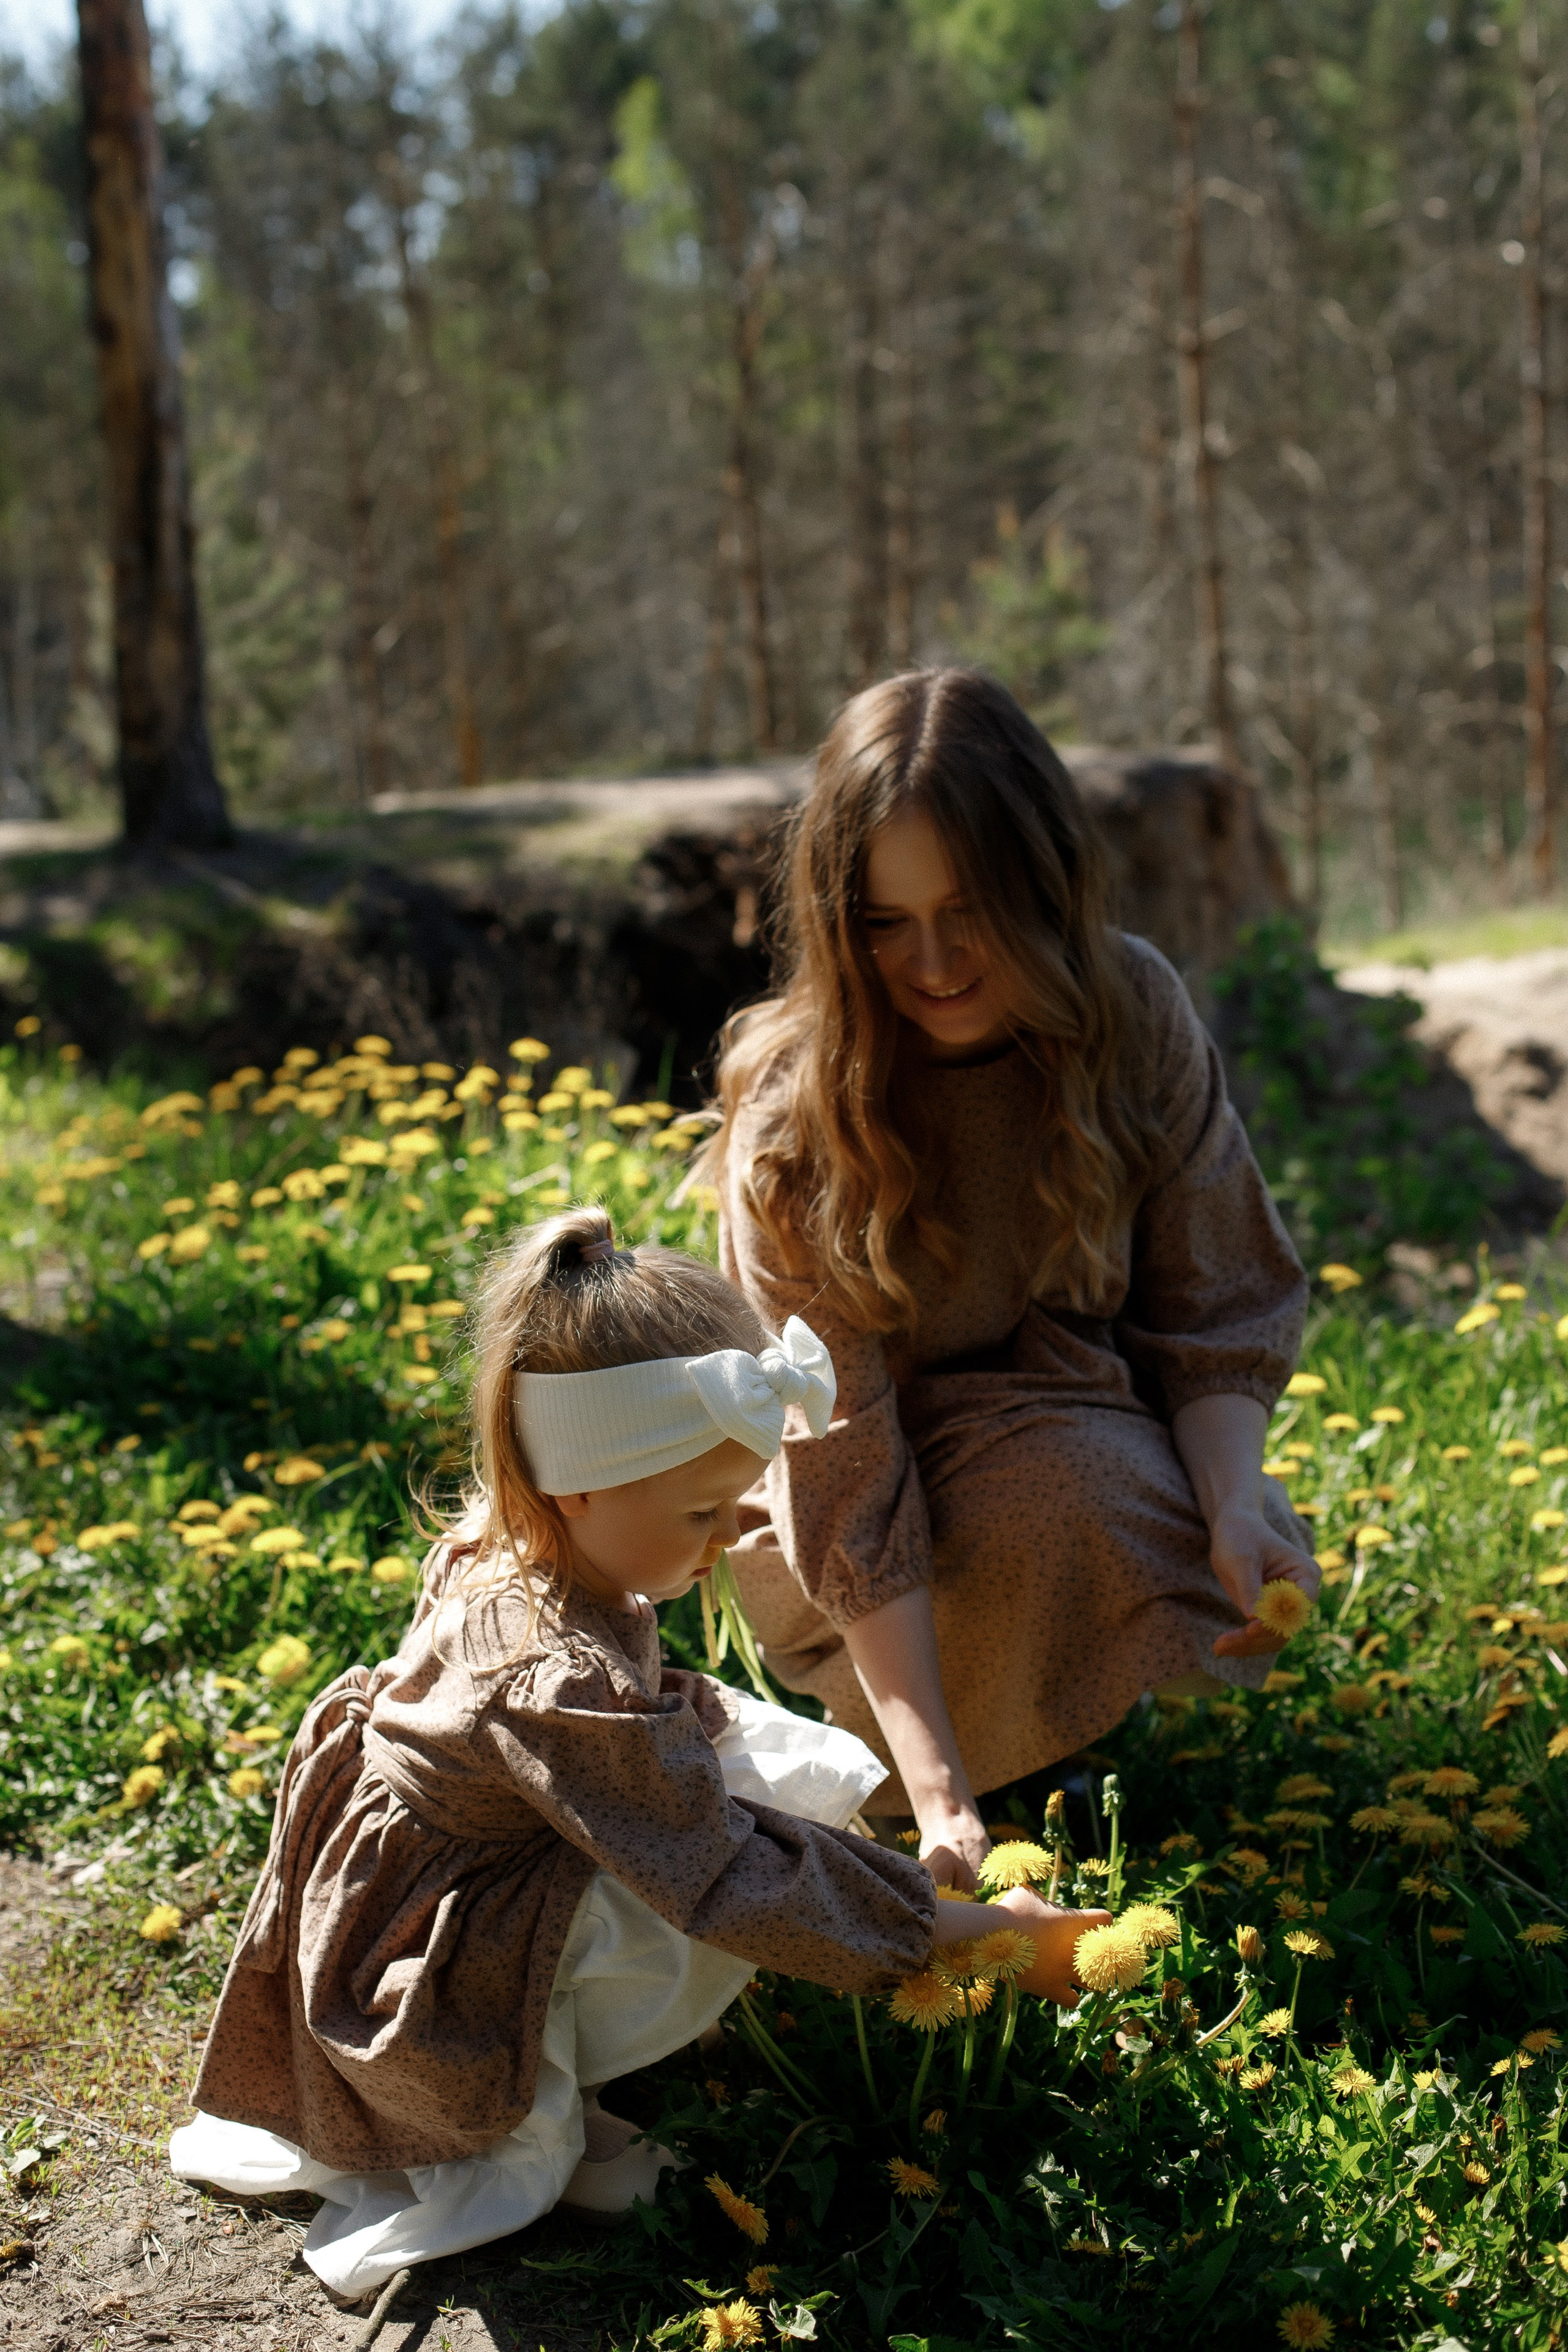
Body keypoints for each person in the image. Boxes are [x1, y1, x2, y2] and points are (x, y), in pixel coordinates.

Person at [170, 1208, 1105, 2302]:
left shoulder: (522, 1545)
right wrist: (963, 1935)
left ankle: (580, 2032)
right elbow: (716, 1870)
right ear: (576, 1483)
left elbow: (642, 1750)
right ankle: (527, 2107)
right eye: (705, 1511)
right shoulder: (550, 1678)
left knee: (760, 1765)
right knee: (704, 1876)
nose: (724, 1543)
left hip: (444, 1865)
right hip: (428, 1961)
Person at [709, 668, 1321, 1894]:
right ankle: (953, 1768)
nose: (930, 963)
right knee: (1040, 1517)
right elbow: (839, 1459)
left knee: (1103, 1504)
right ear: (837, 920)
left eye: (968, 911)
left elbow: (1211, 1311)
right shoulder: (799, 1117)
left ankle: (1055, 1740)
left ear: (1043, 889)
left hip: (1079, 1440)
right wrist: (935, 1794)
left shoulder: (1128, 1009)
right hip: (849, 1513)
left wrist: (1231, 1505)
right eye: (884, 923)